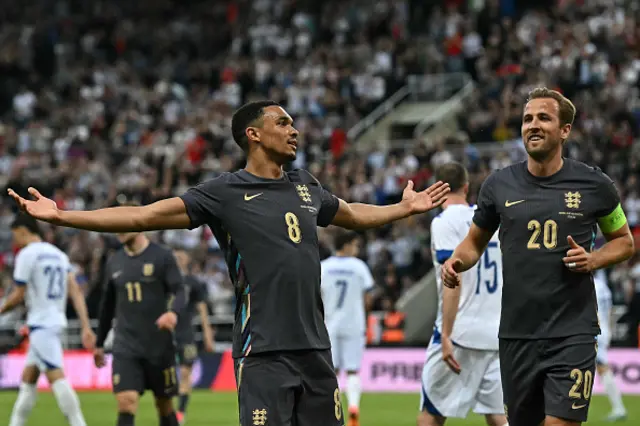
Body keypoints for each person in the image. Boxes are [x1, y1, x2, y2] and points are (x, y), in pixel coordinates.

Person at [8, 100, 450, 426]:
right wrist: (62, 215)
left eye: (294, 123)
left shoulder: (305, 186)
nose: (294, 130)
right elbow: (142, 215)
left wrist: (402, 209)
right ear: (253, 135)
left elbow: (353, 214)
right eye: (283, 123)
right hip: (263, 352)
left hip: (316, 349)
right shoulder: (223, 193)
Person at [441, 87, 635, 426]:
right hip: (517, 335)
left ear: (564, 130)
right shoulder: (498, 185)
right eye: (528, 118)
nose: (533, 124)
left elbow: (624, 242)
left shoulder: (594, 185)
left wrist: (594, 259)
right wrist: (456, 261)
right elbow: (473, 243)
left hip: (572, 332)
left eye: (544, 118)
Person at [419, 162, 507, 426]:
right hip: (496, 333)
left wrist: (446, 334)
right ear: (466, 188)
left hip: (461, 333)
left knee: (431, 414)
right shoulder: (490, 220)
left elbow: (452, 276)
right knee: (498, 416)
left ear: (437, 188)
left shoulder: (445, 222)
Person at [0, 214, 96, 426]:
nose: (14, 241)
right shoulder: (59, 255)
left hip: (41, 324)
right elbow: (76, 293)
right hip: (54, 321)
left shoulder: (26, 255)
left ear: (23, 231)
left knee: (57, 378)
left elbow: (17, 295)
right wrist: (86, 325)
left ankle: (79, 423)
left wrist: (1, 308)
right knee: (28, 380)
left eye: (15, 236)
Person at [93, 215, 187, 426]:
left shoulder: (162, 256)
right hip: (126, 345)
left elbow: (180, 290)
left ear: (139, 224)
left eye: (124, 224)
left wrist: (173, 313)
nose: (119, 230)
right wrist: (99, 343)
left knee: (164, 405)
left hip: (159, 345)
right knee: (126, 402)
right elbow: (107, 307)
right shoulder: (114, 261)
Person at [320, 231, 376, 426]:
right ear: (346, 245)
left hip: (329, 325)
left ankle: (331, 410)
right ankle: (353, 408)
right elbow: (368, 299)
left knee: (330, 371)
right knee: (353, 370)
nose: (357, 249)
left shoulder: (324, 267)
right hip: (354, 324)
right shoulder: (359, 267)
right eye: (355, 245)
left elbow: (316, 297)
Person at [173, 249, 215, 425]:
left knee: (184, 372)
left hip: (185, 334)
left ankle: (181, 411)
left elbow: (202, 309)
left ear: (187, 260)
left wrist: (207, 334)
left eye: (181, 256)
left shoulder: (193, 282)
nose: (177, 259)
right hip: (164, 334)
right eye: (175, 257)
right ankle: (167, 410)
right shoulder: (163, 280)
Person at [593, 268, 627, 421]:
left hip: (594, 331)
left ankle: (619, 408)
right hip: (604, 329)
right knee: (601, 367)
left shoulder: (591, 285)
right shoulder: (603, 285)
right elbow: (610, 310)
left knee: (602, 366)